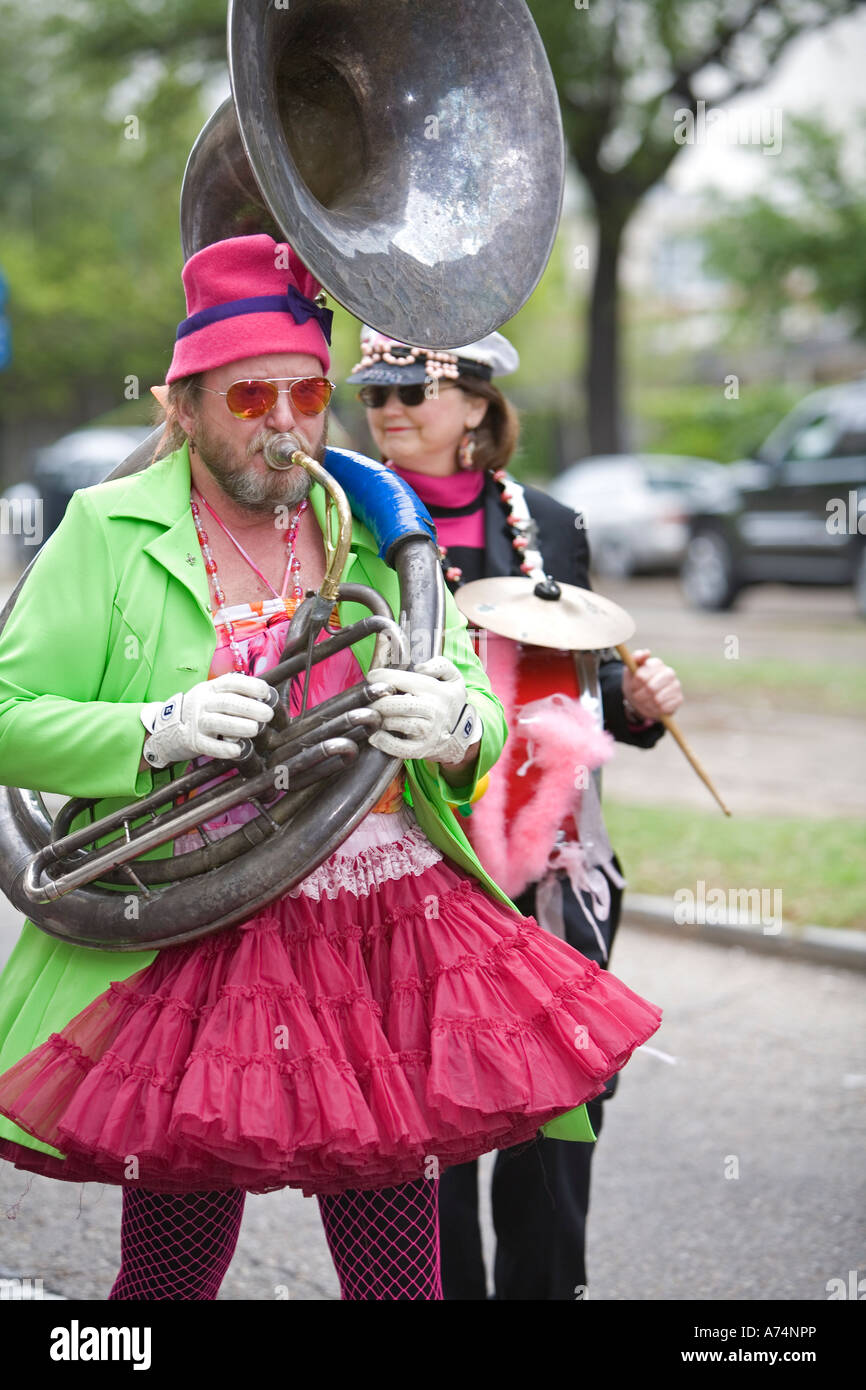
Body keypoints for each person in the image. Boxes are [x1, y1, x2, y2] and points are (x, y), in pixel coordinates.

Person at [0, 235, 662, 1302]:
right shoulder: (107, 527)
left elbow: (482, 707)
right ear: (184, 404)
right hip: (193, 925)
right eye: (248, 396)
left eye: (305, 395)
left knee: (402, 1280)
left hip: (380, 927)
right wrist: (154, 728)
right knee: (167, 1277)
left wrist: (453, 723)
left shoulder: (373, 524)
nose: (282, 425)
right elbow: (7, 715)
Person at [349, 326, 683, 1300]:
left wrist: (640, 699)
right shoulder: (348, 518)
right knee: (429, 1131)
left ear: (478, 406)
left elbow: (579, 686)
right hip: (412, 863)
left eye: (414, 390)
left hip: (554, 869)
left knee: (557, 1118)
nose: (390, 410)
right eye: (375, 393)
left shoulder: (550, 521)